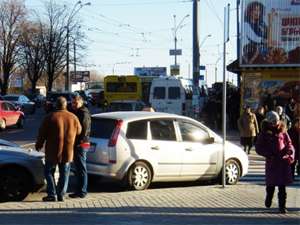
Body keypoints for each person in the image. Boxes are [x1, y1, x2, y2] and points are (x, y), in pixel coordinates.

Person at [36, 97, 82, 202]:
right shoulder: (73, 117)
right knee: (64, 173)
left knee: (48, 172)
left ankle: (52, 194)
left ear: (56, 105)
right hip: (67, 150)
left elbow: (42, 133)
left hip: (52, 151)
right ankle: (61, 194)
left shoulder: (50, 117)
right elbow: (79, 131)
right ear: (66, 105)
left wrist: (39, 145)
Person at [255, 111, 295, 214]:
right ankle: (269, 198)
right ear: (269, 122)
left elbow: (289, 143)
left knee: (282, 187)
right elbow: (259, 147)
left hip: (282, 162)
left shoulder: (283, 131)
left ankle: (282, 207)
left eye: (276, 121)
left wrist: (289, 151)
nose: (275, 124)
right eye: (273, 122)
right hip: (272, 162)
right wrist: (268, 154)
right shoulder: (264, 133)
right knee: (271, 186)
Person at [69, 95, 91, 199]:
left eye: (75, 103)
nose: (73, 105)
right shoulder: (77, 111)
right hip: (78, 143)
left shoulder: (83, 113)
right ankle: (79, 190)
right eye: (72, 103)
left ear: (81, 102)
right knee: (78, 168)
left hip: (82, 143)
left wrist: (79, 142)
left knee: (81, 168)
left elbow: (84, 130)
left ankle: (82, 191)